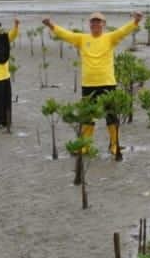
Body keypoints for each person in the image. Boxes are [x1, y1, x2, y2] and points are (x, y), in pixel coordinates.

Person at [44, 10, 142, 159]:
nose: (95, 24)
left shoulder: (110, 37)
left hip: (108, 83)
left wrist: (135, 21)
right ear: (90, 24)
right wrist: (50, 24)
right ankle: (85, 145)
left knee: (111, 115)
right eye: (93, 22)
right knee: (88, 116)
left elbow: (123, 31)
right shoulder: (82, 38)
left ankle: (114, 145)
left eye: (98, 22)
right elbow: (65, 34)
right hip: (89, 84)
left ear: (103, 24)